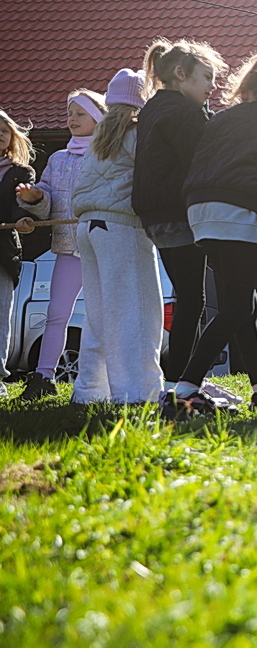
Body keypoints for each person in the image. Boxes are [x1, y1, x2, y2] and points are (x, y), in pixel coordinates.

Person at [170, 47, 257, 415]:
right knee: (237, 305)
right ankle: (184, 388)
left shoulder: (218, 120)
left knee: (245, 302)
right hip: (238, 215)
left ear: (243, 92)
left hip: (200, 213)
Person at [133, 38, 251, 406]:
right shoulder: (184, 112)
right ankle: (181, 384)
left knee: (192, 298)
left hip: (156, 215)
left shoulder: (153, 108)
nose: (212, 87)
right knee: (198, 300)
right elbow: (202, 159)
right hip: (180, 213)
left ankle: (180, 382)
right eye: (206, 78)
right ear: (181, 74)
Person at [69, 70, 164, 404]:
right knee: (137, 311)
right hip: (121, 226)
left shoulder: (98, 137)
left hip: (87, 227)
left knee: (98, 315)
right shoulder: (138, 134)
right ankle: (139, 392)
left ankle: (89, 392)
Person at [15, 89, 106, 400]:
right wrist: (35, 198)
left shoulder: (109, 153)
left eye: (79, 113)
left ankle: (107, 379)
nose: (72, 119)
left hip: (103, 247)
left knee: (103, 314)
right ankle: (43, 377)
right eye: (69, 113)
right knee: (56, 314)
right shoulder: (58, 158)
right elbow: (46, 201)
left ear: (97, 117)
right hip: (68, 248)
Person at [0, 109, 38, 394]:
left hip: (2, 251)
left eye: (3, 130)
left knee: (1, 314)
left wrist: (22, 219)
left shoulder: (19, 172)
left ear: (12, 137)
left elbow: (17, 205)